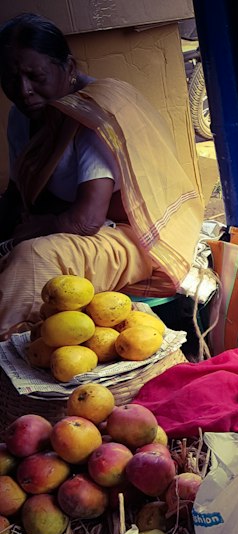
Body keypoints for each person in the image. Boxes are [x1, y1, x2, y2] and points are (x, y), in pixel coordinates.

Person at [0, 13, 204, 337]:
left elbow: (86, 220)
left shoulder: (96, 114)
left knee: (31, 259)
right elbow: (16, 193)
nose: (24, 90)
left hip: (133, 236)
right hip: (76, 227)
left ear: (68, 67)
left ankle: (10, 350)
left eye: (35, 75)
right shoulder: (21, 117)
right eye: (11, 79)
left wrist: (38, 230)